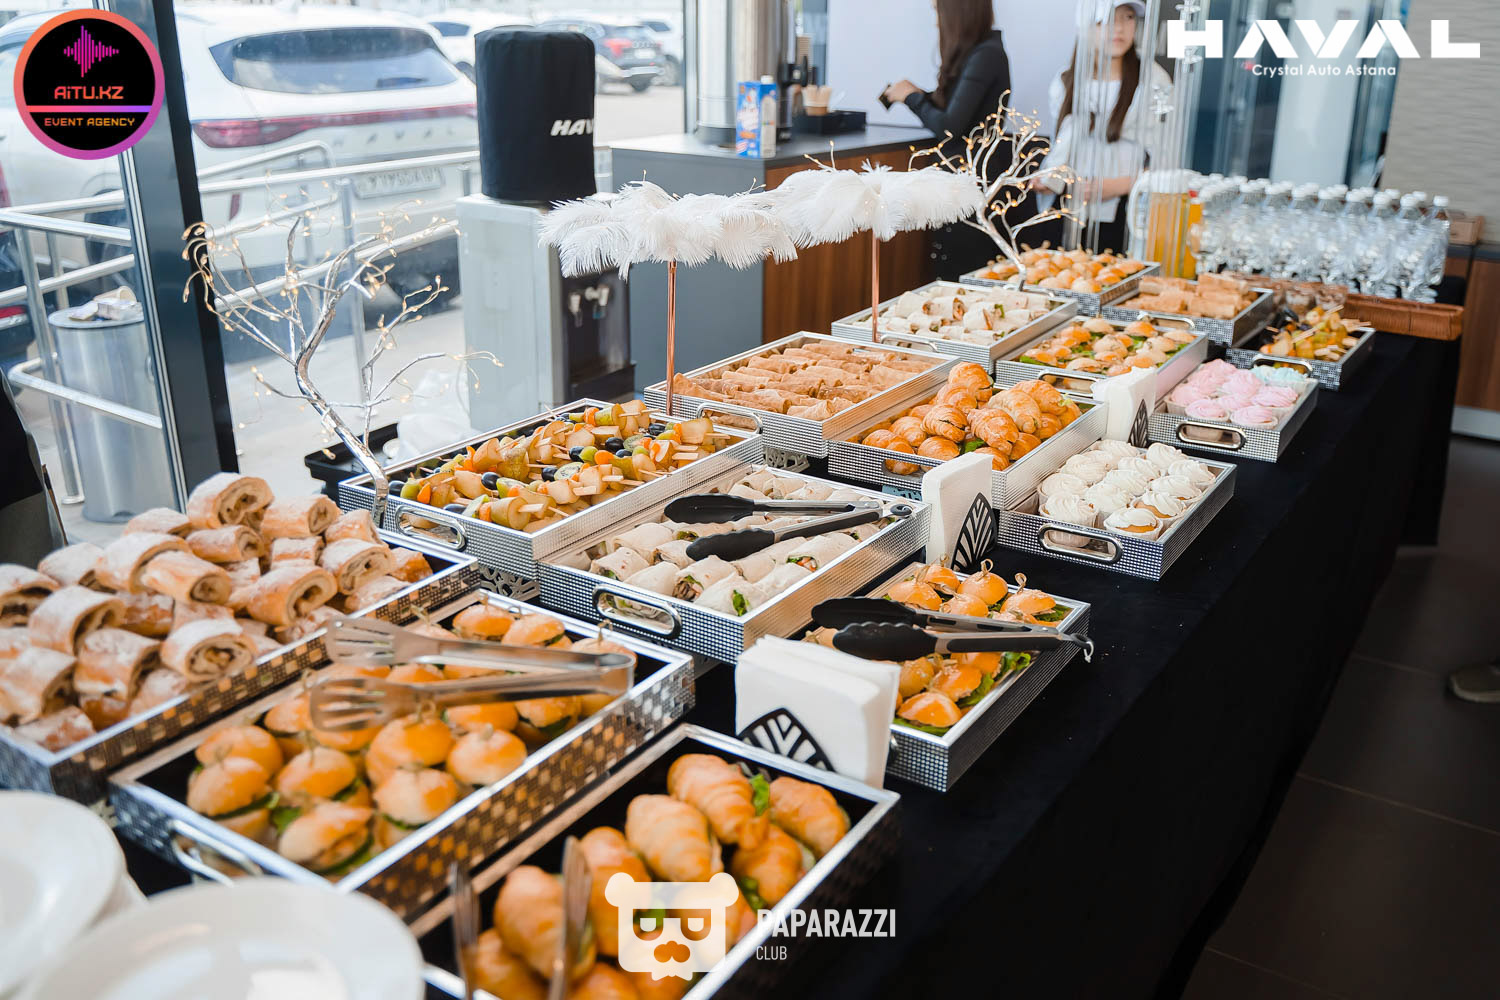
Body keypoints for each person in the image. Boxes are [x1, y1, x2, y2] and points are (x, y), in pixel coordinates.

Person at [882, 0, 1015, 279]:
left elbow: (949, 126)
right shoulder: (981, 53)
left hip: (972, 181)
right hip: (965, 179)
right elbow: (960, 112)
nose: (936, 21)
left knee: (964, 270)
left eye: (937, 11)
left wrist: (912, 98)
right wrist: (921, 95)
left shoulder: (986, 55)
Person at [1033, 0, 1171, 254]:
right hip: (1067, 209)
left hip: (1126, 212)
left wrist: (1119, 185)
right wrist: (1050, 178)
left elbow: (1168, 159)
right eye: (1105, 20)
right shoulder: (1066, 81)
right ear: (1085, 26)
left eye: (1128, 17)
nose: (1118, 28)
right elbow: (1061, 146)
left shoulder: (1153, 80)